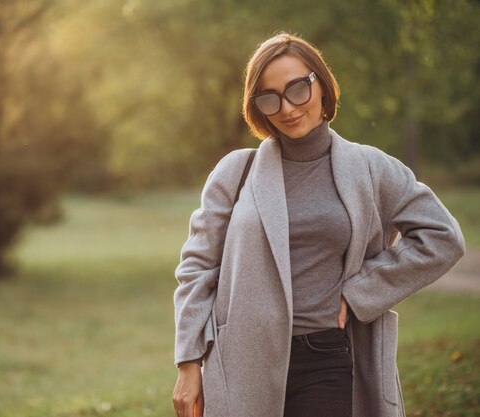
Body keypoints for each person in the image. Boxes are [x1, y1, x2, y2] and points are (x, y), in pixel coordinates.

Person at [171, 32, 465, 417]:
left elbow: (442, 237)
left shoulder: (370, 167)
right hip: (241, 362)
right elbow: (197, 268)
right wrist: (189, 363)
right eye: (269, 96)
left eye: (297, 88)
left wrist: (362, 291)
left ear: (321, 86)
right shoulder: (235, 172)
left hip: (328, 357)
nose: (287, 107)